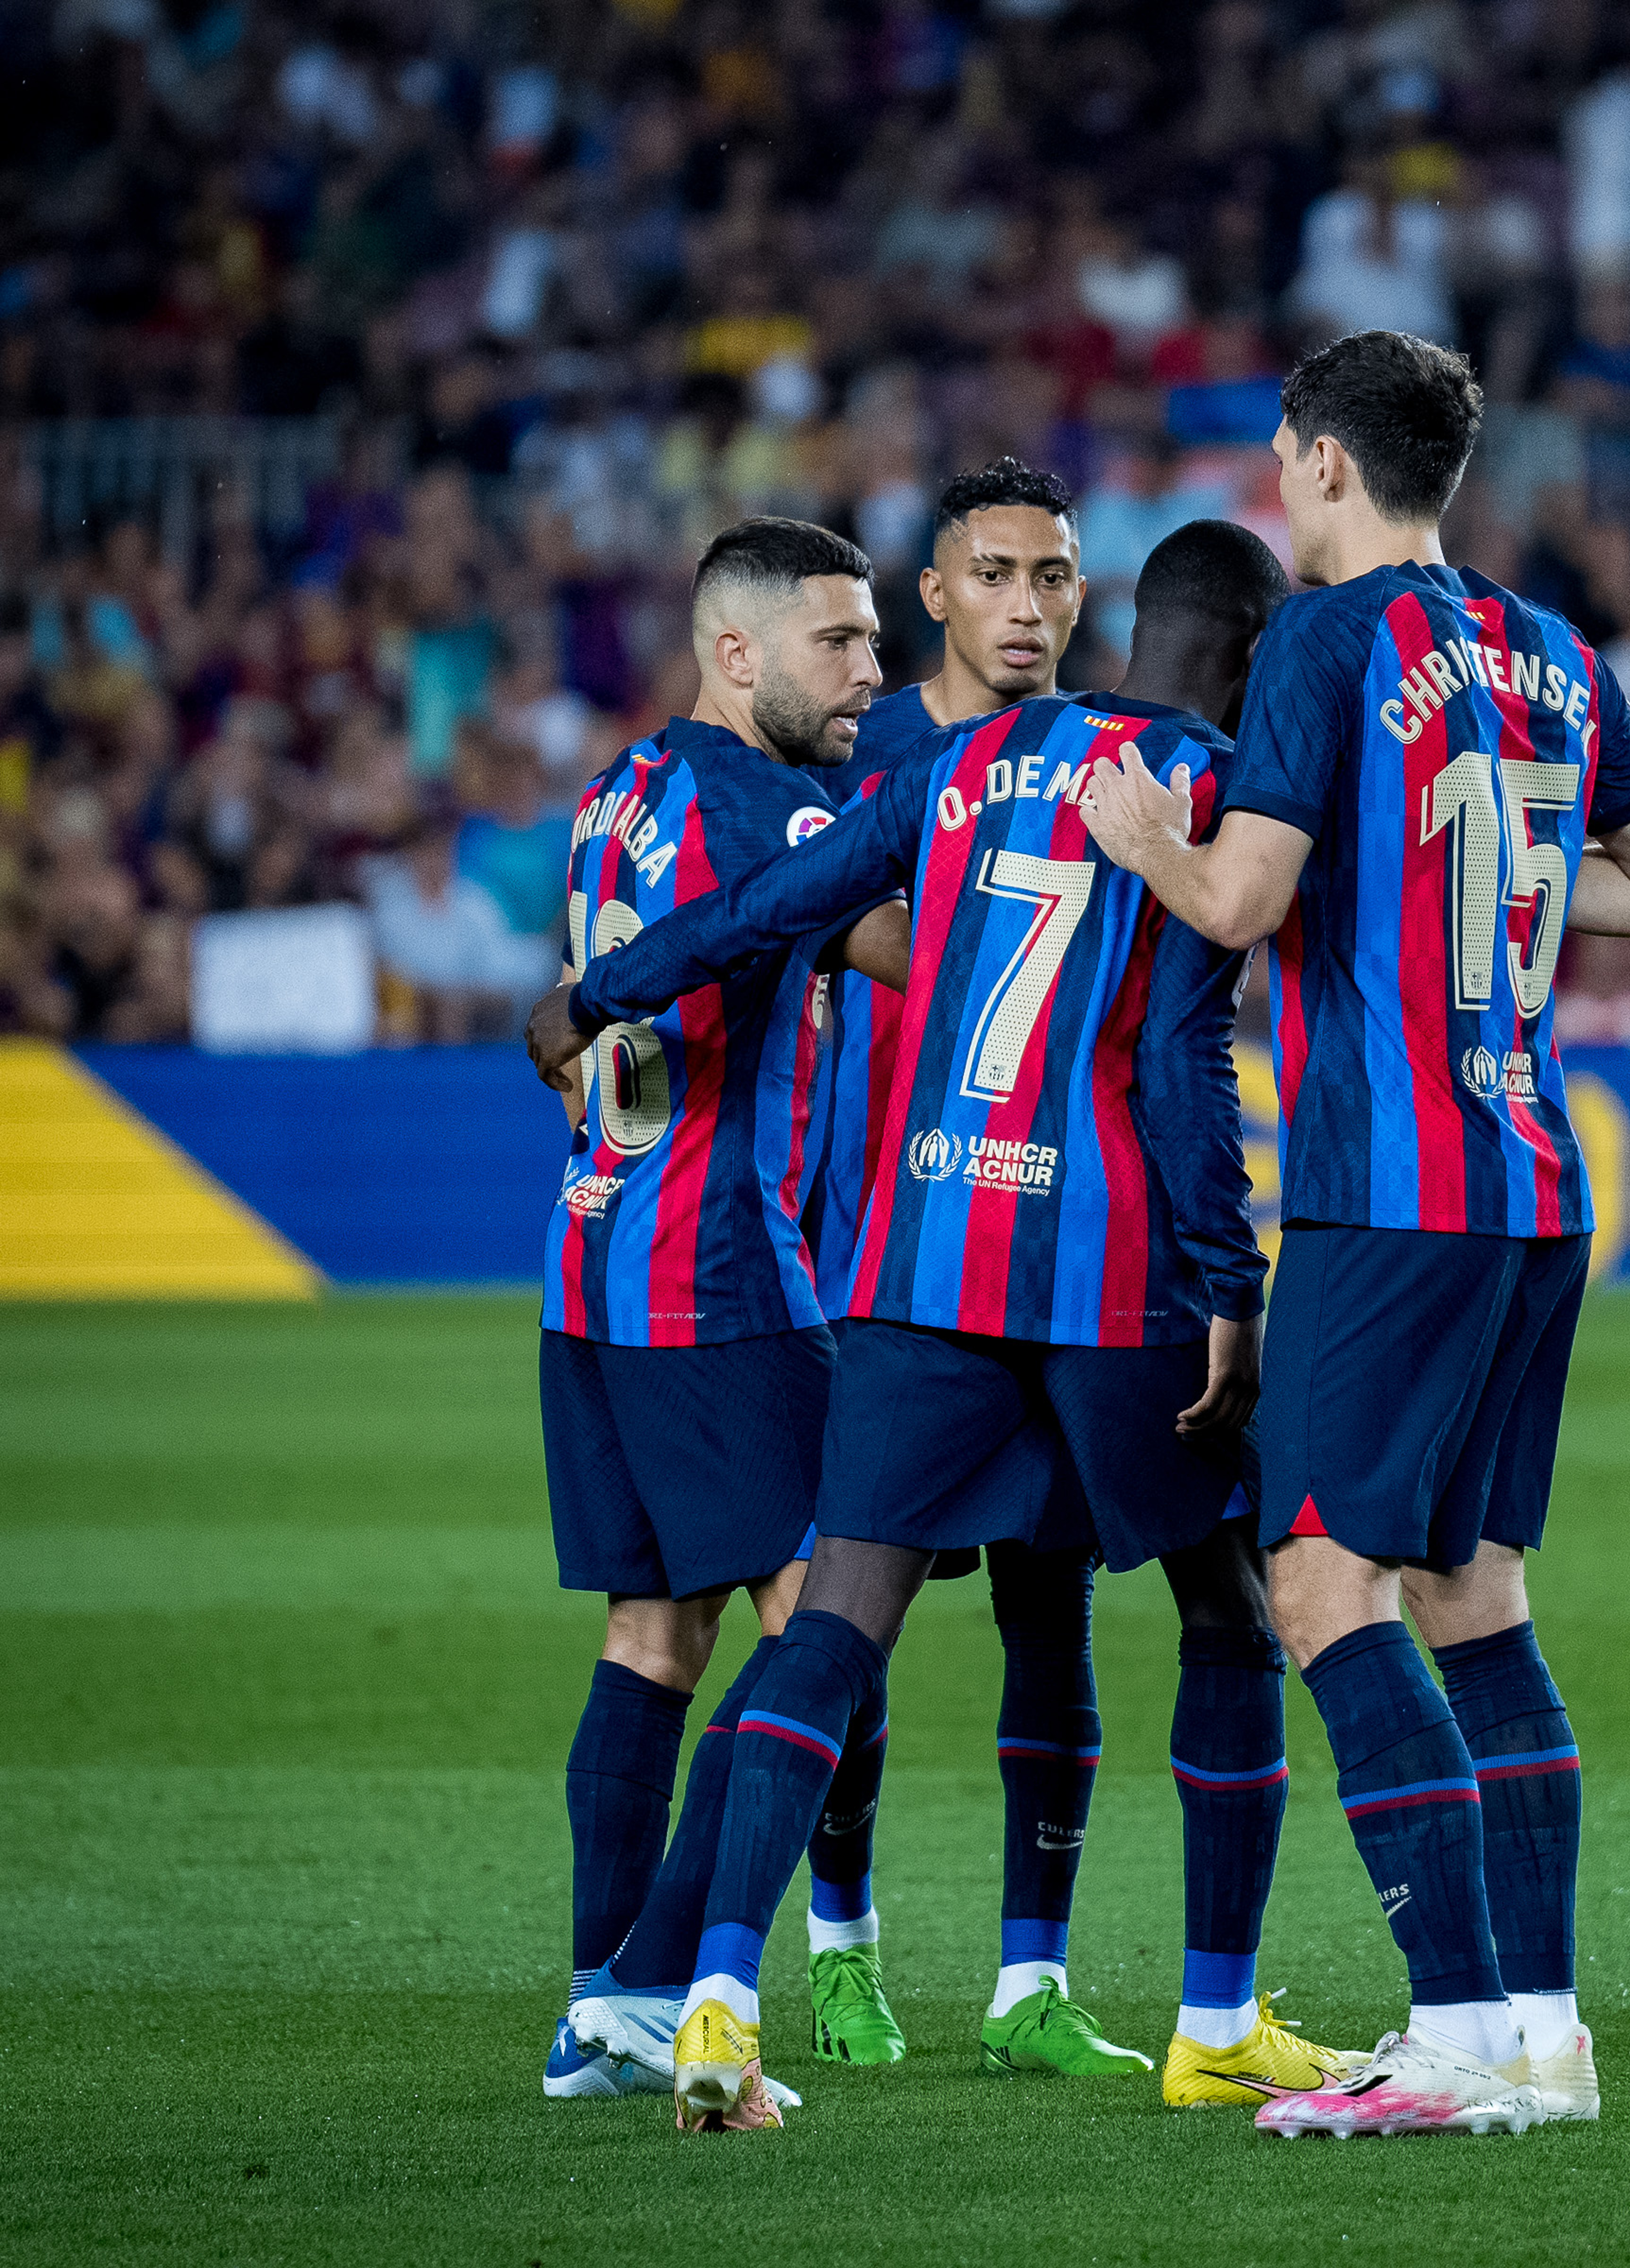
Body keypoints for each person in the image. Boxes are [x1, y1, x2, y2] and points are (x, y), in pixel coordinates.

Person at [530, 520, 1359, 2131]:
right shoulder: (1196, 793)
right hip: (1101, 1274)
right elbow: (1186, 1063)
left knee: (829, 1620)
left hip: (916, 1264)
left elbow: (775, 901)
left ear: (1105, 612)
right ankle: (1213, 2015)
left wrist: (602, 990)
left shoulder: (971, 762)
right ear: (1256, 660)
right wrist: (1227, 1287)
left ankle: (708, 1993)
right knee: (1224, 1616)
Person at [1084, 330, 1630, 2139]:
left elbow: (1240, 893)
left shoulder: (1318, 639)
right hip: (1532, 1183)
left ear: (1323, 466)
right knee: (1475, 1592)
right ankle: (1540, 2032)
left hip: (1390, 1187)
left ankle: (1442, 2033)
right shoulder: (1553, 651)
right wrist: (1492, 880)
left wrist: (1143, 834)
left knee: (1315, 1581)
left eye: (1286, 456)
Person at [535, 516, 916, 2098]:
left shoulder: (613, 790)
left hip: (587, 1260)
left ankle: (596, 2007)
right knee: (824, 1626)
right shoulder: (775, 805)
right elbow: (907, 947)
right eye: (837, 641)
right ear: (736, 650)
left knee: (653, 1633)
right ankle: (664, 1977)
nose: (869, 669)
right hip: (723, 1271)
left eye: (875, 638)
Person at [805, 458, 1148, 2075]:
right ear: (931, 594)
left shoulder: (1116, 760)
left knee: (1049, 1608)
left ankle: (1031, 1984)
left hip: (1050, 1253)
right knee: (839, 1613)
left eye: (1055, 574)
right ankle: (838, 1943)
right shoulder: (871, 751)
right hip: (872, 1245)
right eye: (994, 573)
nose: (1028, 603)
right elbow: (793, 915)